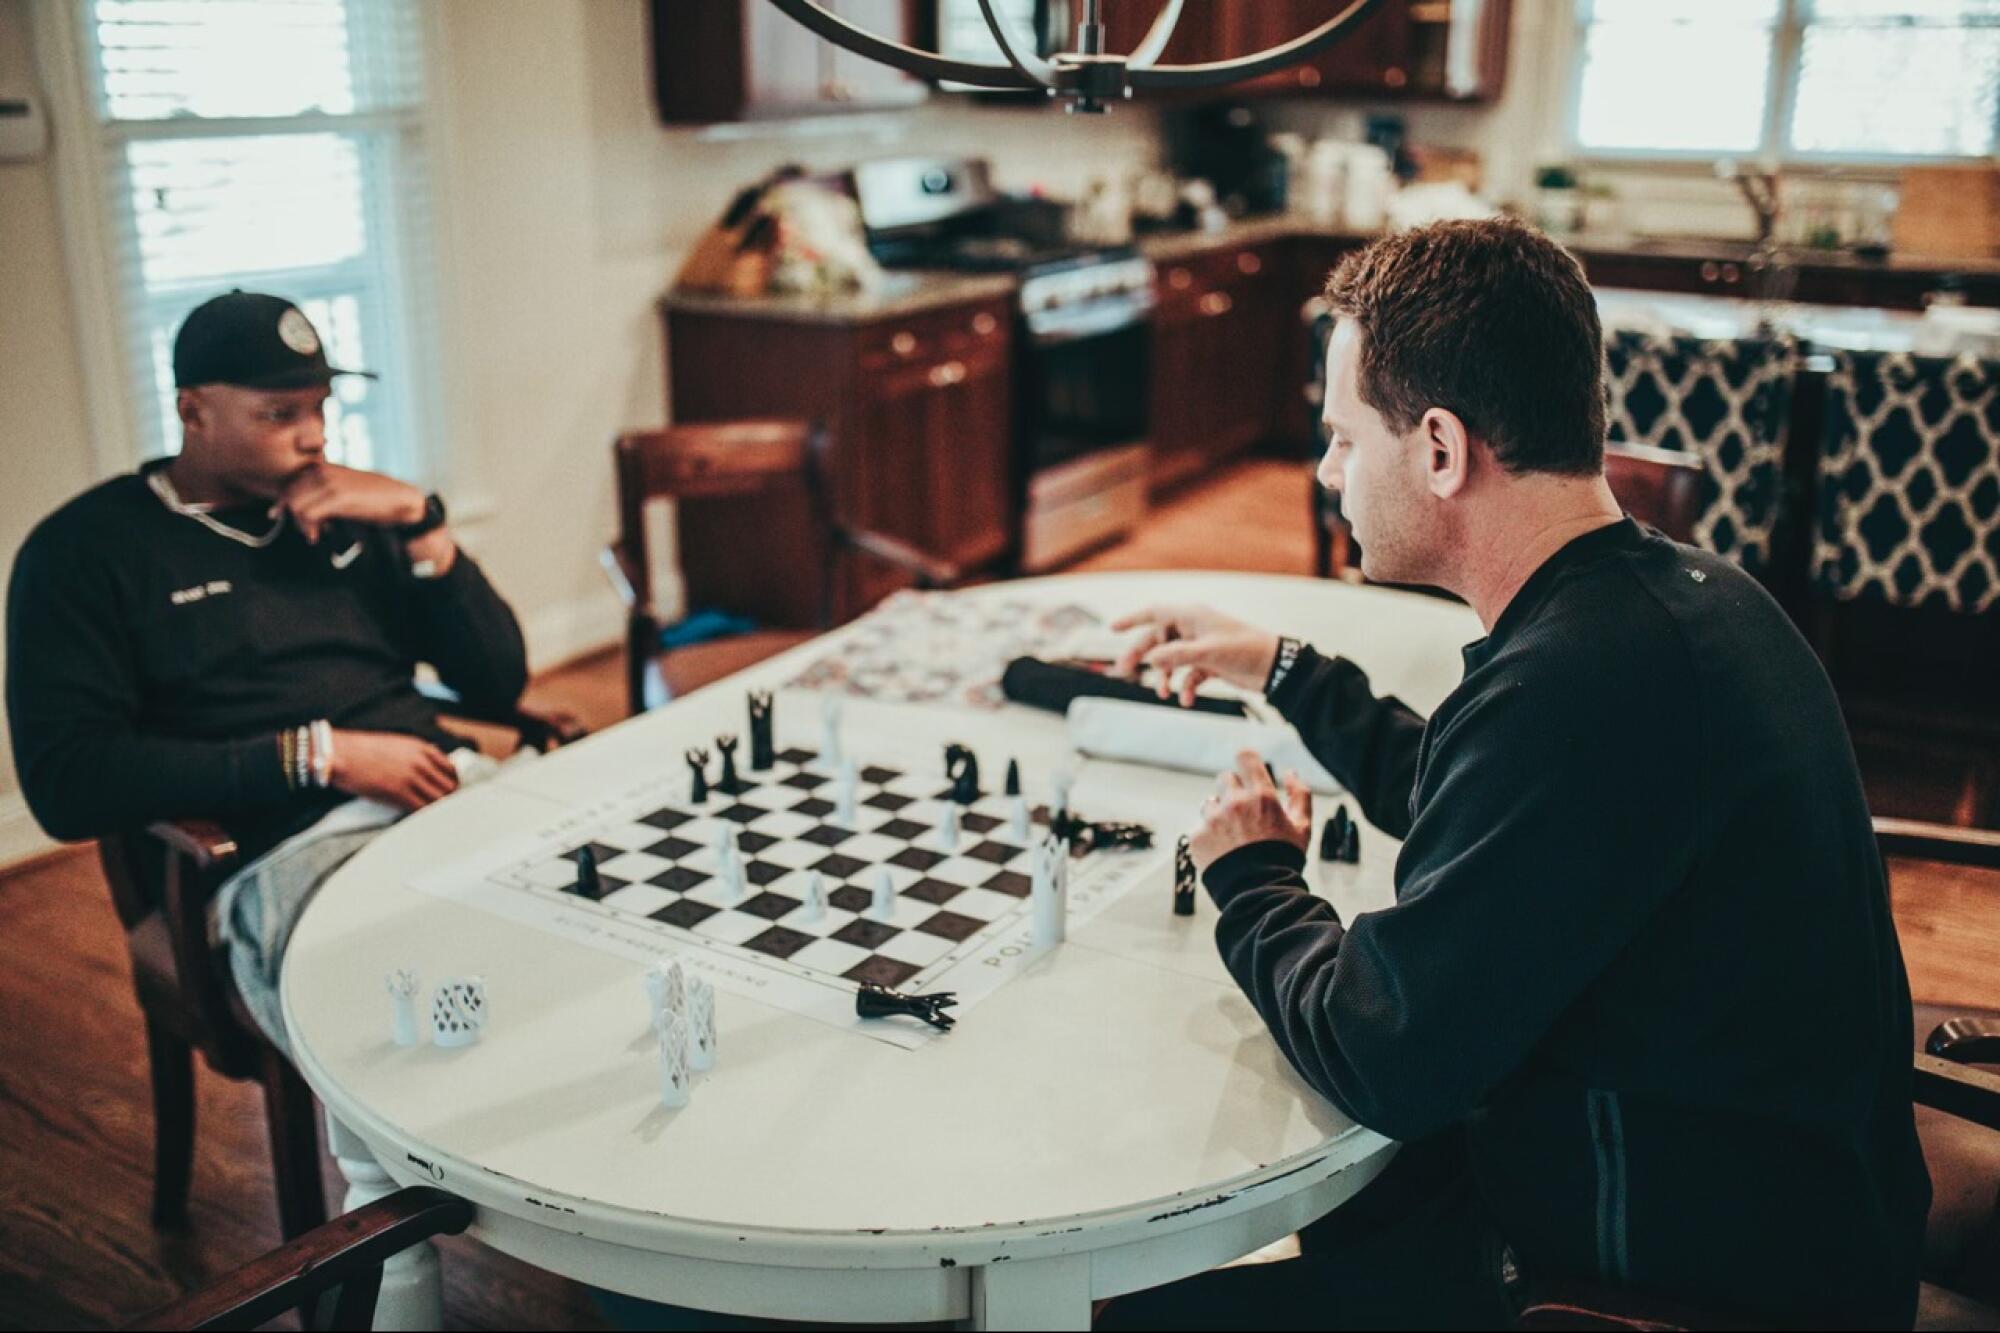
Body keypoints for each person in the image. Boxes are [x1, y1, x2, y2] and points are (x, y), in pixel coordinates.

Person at [1101, 220, 1928, 1329]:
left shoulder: (1576, 686)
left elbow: (1380, 1049)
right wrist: (1282, 666)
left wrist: (1251, 879)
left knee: (1130, 1314)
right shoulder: (1673, 600)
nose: (1325, 471)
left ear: (1438, 449)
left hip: (1661, 1285)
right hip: (1780, 1200)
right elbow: (1500, 801)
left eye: (1344, 438)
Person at [6, 290, 528, 1045]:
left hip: (444, 790)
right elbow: (69, 783)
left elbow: (497, 684)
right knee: (435, 1017)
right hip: (278, 848)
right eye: (280, 415)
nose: (315, 437)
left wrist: (423, 523)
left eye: (322, 406)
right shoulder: (85, 551)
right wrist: (317, 756)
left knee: (595, 933)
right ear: (193, 412)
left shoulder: (351, 508)